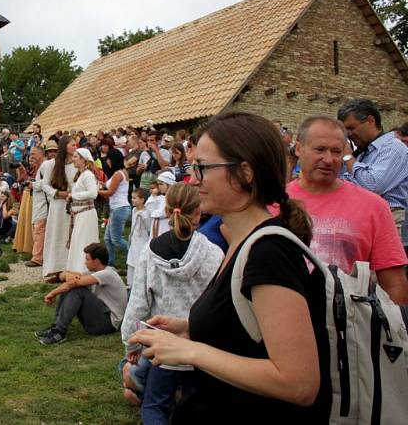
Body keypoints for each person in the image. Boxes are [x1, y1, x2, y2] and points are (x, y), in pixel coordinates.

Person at [129, 111, 324, 423]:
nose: (194, 179)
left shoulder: (268, 252)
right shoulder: (240, 241)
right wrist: (190, 329)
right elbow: (251, 336)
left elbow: (299, 382)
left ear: (245, 172)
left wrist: (190, 352)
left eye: (203, 168)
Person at [121, 183, 223, 424]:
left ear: (166, 211)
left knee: (154, 406)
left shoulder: (150, 252)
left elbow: (138, 303)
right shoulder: (214, 253)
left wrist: (131, 343)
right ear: (198, 212)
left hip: (164, 347)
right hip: (201, 348)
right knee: (195, 410)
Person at [288, 115, 408, 303]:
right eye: (320, 149)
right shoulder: (275, 201)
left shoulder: (373, 206)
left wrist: (398, 327)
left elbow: (394, 282)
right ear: (298, 149)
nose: (329, 159)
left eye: (336, 152)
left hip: (347, 324)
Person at [338, 99, 408, 238]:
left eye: (351, 128)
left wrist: (347, 157)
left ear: (370, 121)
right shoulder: (364, 151)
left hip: (384, 224)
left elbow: (372, 185)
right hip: (360, 221)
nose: (348, 135)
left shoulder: (393, 148)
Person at [35, 243, 128, 345]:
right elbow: (71, 277)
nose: (85, 263)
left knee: (77, 290)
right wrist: (65, 275)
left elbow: (74, 282)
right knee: (72, 287)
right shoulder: (95, 272)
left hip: (108, 324)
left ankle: (60, 332)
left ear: (96, 261)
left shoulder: (108, 274)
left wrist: (53, 293)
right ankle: (57, 327)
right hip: (102, 317)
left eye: (87, 259)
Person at [41, 135, 77, 282]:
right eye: (72, 144)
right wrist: (58, 193)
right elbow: (44, 185)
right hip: (58, 205)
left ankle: (70, 268)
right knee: (57, 235)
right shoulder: (52, 164)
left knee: (71, 236)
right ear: (64, 147)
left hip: (74, 203)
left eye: (76, 144)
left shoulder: (77, 163)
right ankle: (54, 268)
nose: (75, 147)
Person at [63, 148, 100, 276]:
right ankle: (76, 271)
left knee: (83, 242)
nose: (73, 159)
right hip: (80, 214)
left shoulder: (88, 175)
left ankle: (83, 272)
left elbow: (93, 193)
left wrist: (73, 196)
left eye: (75, 157)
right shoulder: (82, 175)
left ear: (84, 159)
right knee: (78, 242)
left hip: (86, 214)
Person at [25, 142, 56, 267]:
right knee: (38, 228)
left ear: (40, 154)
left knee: (39, 228)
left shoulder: (46, 165)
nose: (30, 156)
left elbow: (48, 182)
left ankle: (38, 257)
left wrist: (33, 185)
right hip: (40, 201)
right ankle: (40, 255)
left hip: (44, 202)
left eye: (33, 154)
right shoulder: (42, 166)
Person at [98, 155, 132, 267]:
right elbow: (111, 188)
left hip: (119, 208)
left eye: (109, 159)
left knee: (116, 239)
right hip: (117, 208)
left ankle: (135, 255)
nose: (107, 161)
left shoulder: (118, 174)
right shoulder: (120, 172)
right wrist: (102, 184)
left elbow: (110, 192)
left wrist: (95, 191)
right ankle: (110, 263)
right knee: (107, 238)